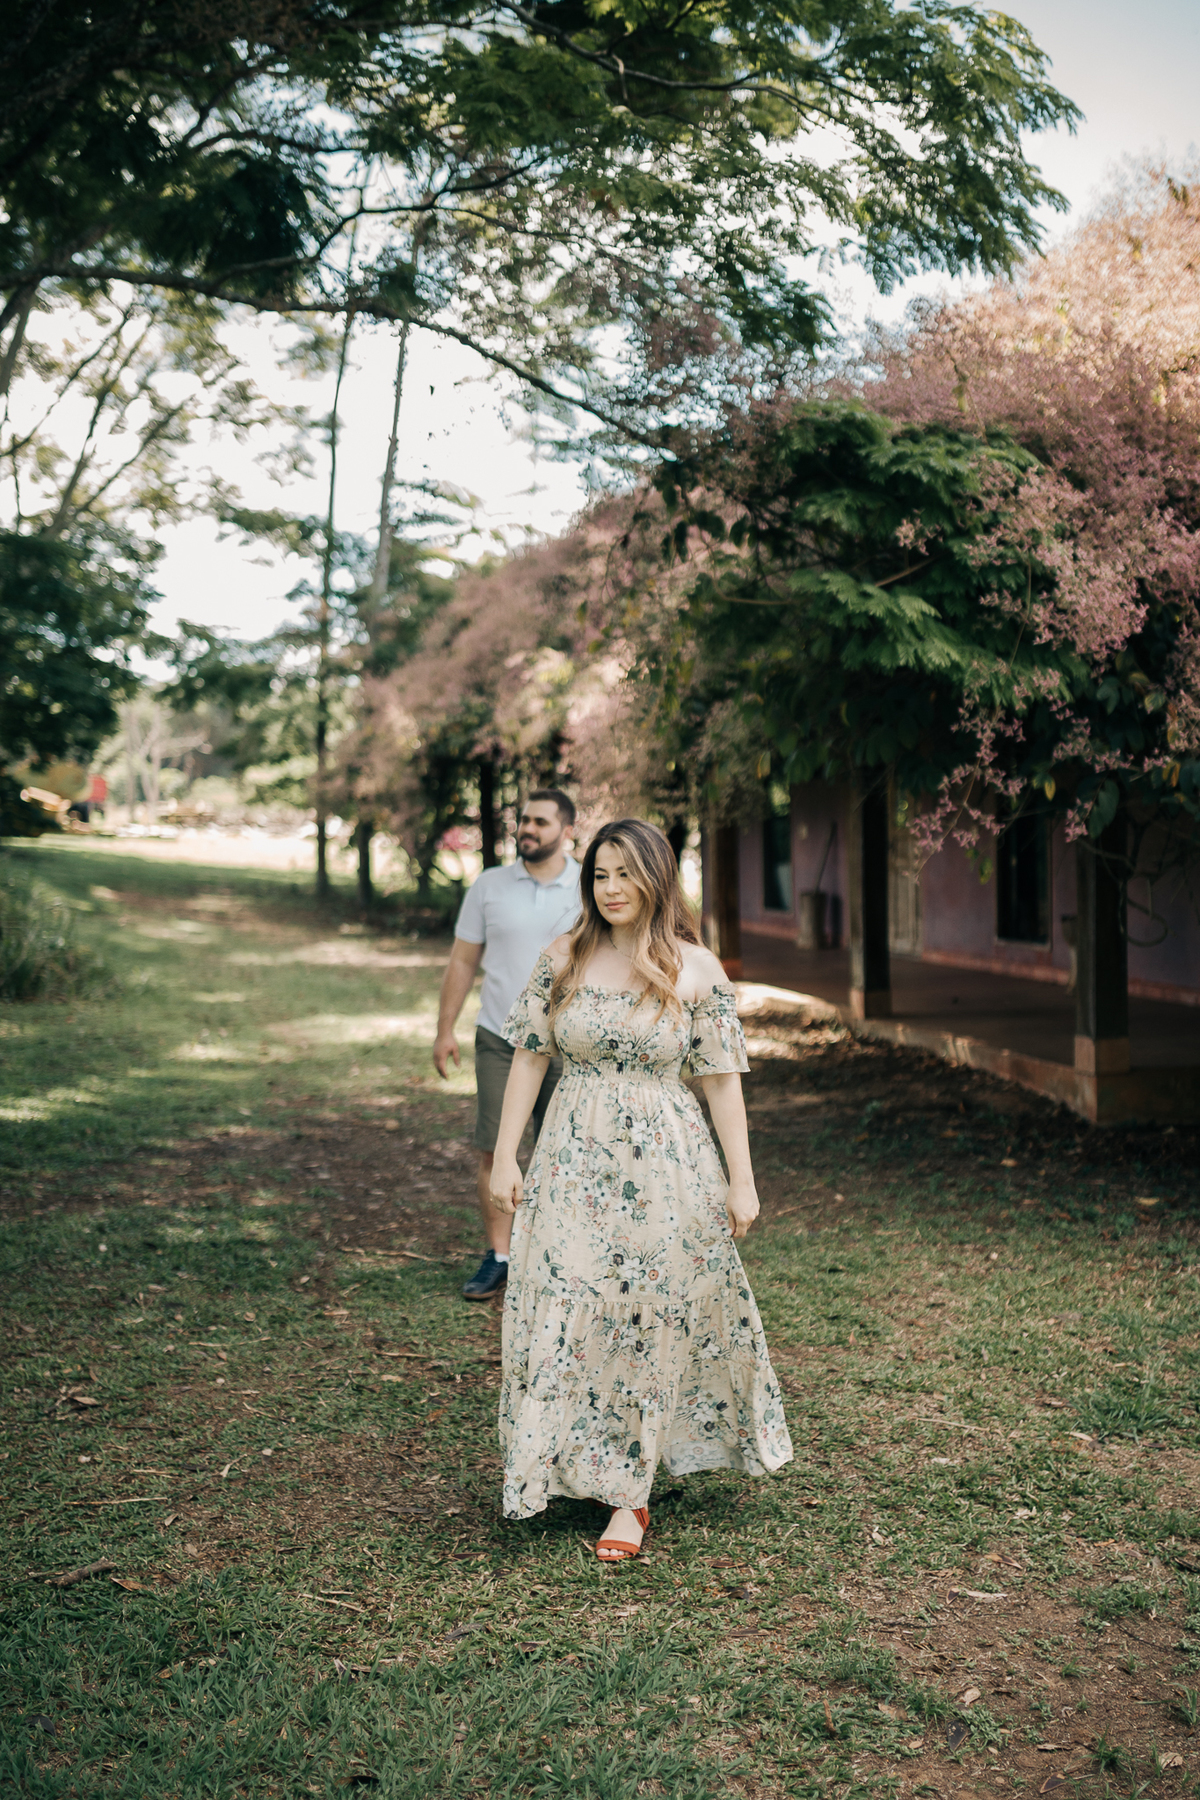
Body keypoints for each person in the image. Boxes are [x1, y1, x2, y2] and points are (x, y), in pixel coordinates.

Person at [489, 817, 792, 1560]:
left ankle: (631, 1494)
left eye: (626, 873)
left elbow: (722, 1082)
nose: (611, 888)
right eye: (600, 874)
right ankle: (567, 1460)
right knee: (568, 1301)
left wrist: (743, 1180)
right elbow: (528, 1057)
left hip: (667, 1166)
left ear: (657, 877)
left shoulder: (696, 968)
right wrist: (504, 1156)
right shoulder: (564, 956)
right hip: (571, 1159)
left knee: (647, 1314)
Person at [434, 789, 582, 1300]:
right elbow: (462, 960)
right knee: (496, 1149)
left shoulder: (590, 885)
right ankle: (499, 1257)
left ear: (567, 831)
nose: (528, 829)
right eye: (524, 820)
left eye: (541, 821)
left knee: (566, 1152)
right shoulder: (489, 885)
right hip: (501, 1037)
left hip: (570, 1044)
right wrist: (445, 1029)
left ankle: (558, 1257)